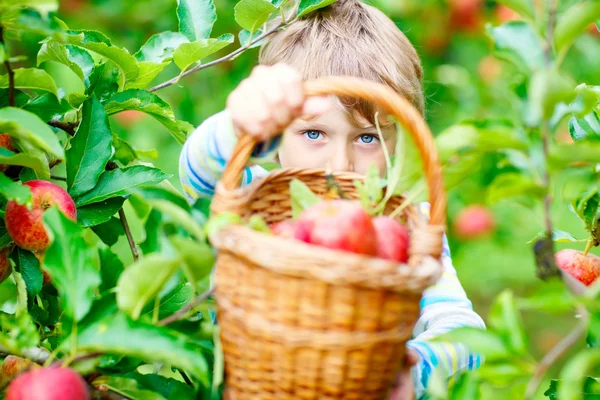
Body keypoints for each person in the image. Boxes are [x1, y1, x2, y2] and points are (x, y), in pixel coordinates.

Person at [179, 1, 485, 398]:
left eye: (368, 138)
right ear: (275, 136)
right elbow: (195, 173)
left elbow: (464, 332)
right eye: (313, 134)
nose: (340, 163)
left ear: (398, 142)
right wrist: (242, 123)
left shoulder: (409, 229)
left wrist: (415, 371)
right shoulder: (250, 198)